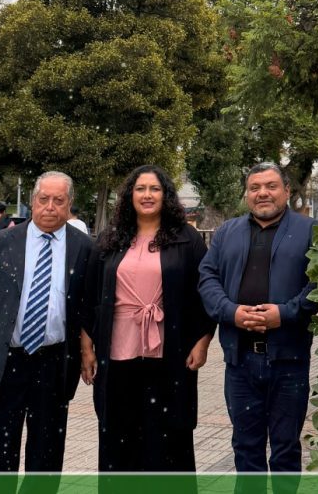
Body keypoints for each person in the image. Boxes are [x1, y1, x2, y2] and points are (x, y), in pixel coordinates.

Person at [80, 165, 214, 472]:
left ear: (166, 195)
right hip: (117, 351)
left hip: (171, 352)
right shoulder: (110, 238)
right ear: (130, 195)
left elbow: (205, 292)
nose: (147, 195)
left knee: (168, 436)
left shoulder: (186, 239)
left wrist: (203, 340)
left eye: (155, 189)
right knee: (120, 433)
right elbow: (90, 297)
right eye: (140, 189)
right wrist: (86, 348)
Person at [0, 171, 93, 479]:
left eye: (58, 200)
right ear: (32, 201)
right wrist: (5, 327)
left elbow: (88, 304)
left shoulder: (84, 247)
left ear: (69, 204)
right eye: (43, 199)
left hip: (55, 362)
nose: (50, 207)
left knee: (46, 452)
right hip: (5, 360)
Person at [198, 162, 318, 474]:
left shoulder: (310, 231)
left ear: (287, 191)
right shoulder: (227, 233)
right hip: (240, 362)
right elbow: (207, 278)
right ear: (246, 194)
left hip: (288, 361)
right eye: (254, 188)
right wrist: (231, 312)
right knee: (245, 448)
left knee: (285, 449)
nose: (262, 193)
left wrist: (286, 313)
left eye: (271, 186)